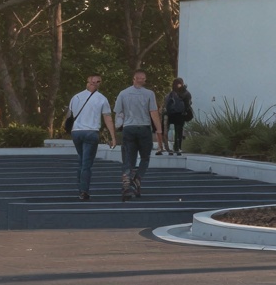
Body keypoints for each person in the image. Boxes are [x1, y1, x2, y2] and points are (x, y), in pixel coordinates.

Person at [112, 69, 161, 200]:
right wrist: (159, 130)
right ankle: (136, 180)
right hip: (144, 128)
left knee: (128, 159)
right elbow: (153, 112)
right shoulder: (149, 94)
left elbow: (118, 112)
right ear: (143, 80)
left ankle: (126, 185)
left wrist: (117, 127)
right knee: (145, 158)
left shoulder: (123, 93)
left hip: (128, 128)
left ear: (134, 79)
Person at [64, 74, 114, 201]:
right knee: (86, 163)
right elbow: (107, 118)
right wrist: (113, 136)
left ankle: (81, 188)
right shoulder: (102, 99)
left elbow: (69, 115)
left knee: (81, 161)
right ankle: (84, 191)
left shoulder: (76, 97)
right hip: (91, 132)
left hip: (76, 132)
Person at [161, 77, 193, 156]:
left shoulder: (170, 94)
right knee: (178, 131)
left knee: (175, 131)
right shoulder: (185, 93)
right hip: (179, 114)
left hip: (172, 114)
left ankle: (172, 147)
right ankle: (176, 147)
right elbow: (188, 104)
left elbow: (165, 104)